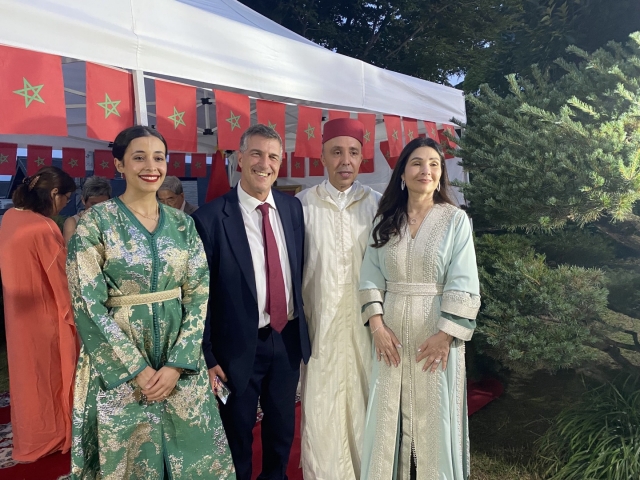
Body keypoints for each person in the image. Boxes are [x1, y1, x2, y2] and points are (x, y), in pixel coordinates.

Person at [66, 126, 235, 479]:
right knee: (129, 461)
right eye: (139, 157)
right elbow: (87, 303)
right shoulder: (95, 223)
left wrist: (178, 363)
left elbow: (199, 293)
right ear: (119, 165)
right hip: (119, 365)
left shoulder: (183, 225)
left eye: (158, 157)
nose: (151, 166)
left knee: (193, 457)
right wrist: (136, 369)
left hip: (179, 361)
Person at [192, 124, 310, 480]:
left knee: (282, 431)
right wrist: (208, 355)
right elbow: (201, 295)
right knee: (237, 434)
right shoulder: (210, 219)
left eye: (273, 156)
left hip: (286, 339)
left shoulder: (292, 209)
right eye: (256, 154)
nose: (264, 163)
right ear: (239, 158)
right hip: (235, 348)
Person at [359, 137, 480, 480]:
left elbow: (464, 281)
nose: (425, 170)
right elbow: (369, 276)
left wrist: (445, 336)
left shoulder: (455, 221)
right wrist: (378, 327)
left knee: (434, 416)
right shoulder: (385, 221)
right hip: (390, 338)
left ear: (441, 175)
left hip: (436, 338)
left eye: (434, 164)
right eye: (416, 162)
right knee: (387, 416)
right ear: (402, 173)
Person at [296, 118, 381, 480]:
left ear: (362, 158)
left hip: (368, 328)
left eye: (353, 152)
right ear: (322, 156)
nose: (345, 160)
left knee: (368, 403)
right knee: (322, 409)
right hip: (321, 328)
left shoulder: (378, 206)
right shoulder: (301, 206)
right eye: (336, 152)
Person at [0, 166, 78, 462]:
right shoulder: (42, 228)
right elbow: (62, 276)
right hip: (46, 316)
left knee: (26, 378)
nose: (65, 205)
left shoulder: (11, 217)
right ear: (54, 193)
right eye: (65, 198)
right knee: (50, 378)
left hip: (18, 314)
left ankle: (31, 435)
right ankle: (55, 433)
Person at [62, 176, 112, 243]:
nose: (98, 208)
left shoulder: (113, 222)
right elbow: (69, 251)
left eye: (102, 204)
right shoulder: (73, 223)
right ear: (83, 200)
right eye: (93, 204)